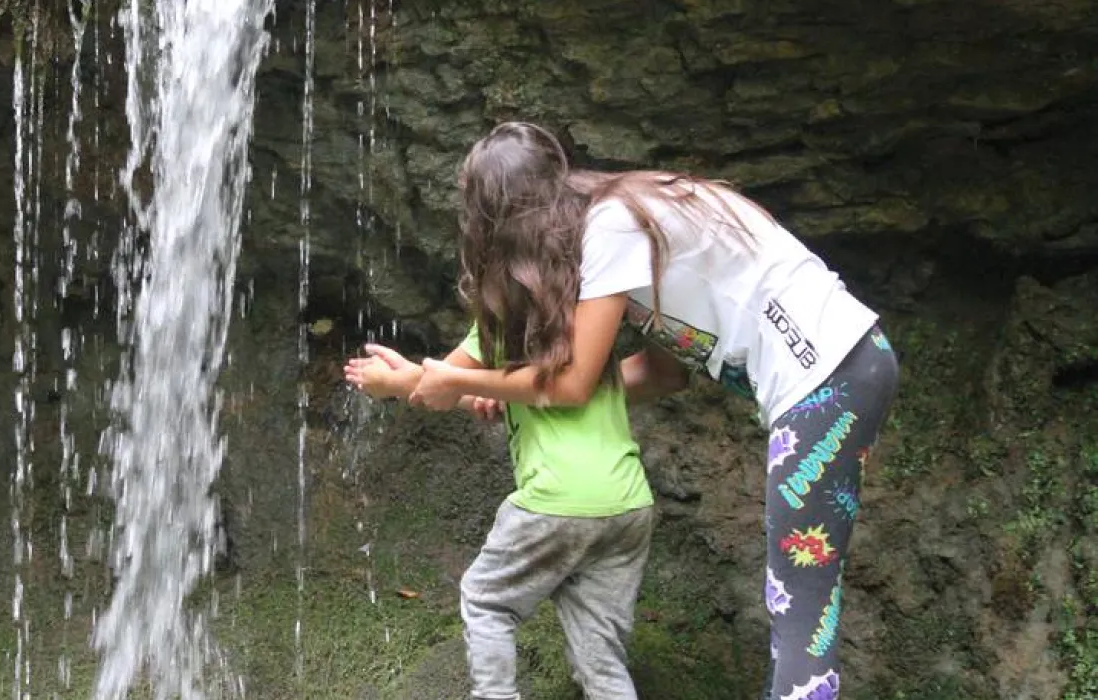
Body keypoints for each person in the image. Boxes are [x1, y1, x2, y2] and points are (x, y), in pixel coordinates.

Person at [380, 121, 899, 700]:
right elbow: (662, 372)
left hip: (830, 374)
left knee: (797, 597)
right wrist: (515, 394)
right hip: (847, 368)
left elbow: (574, 383)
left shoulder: (612, 227)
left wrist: (466, 379)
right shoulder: (624, 227)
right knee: (795, 597)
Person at [345, 315, 657, 694]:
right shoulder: (589, 321)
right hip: (628, 503)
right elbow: (485, 389)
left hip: (555, 500)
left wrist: (391, 382)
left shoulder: (502, 314)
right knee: (601, 657)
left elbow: (437, 384)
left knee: (487, 601)